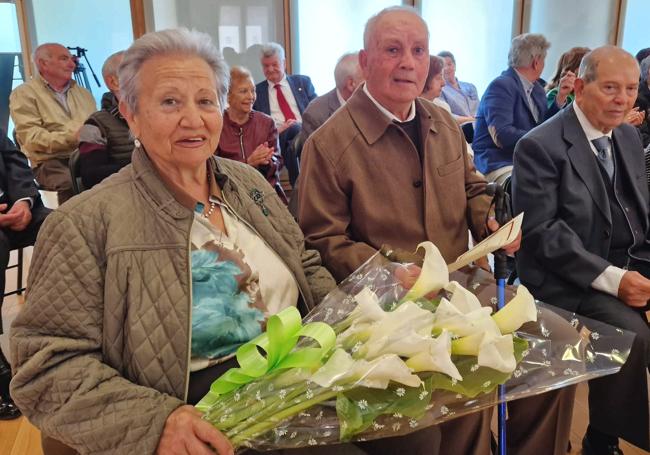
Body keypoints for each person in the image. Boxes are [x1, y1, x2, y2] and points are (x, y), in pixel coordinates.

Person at [9, 29, 337, 455]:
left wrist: (350, 325)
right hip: (202, 410)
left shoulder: (246, 181)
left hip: (303, 372)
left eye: (205, 101)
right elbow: (44, 368)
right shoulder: (85, 223)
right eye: (169, 102)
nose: (193, 118)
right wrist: (155, 421)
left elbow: (305, 263)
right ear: (131, 113)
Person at [298, 6, 574, 455]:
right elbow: (320, 241)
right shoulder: (328, 144)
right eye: (392, 50)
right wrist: (389, 272)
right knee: (465, 376)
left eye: (418, 50)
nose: (408, 61)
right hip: (391, 307)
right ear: (365, 62)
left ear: (431, 63)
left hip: (463, 283)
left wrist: (489, 217)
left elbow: (472, 187)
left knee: (557, 346)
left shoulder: (442, 122)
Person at [512, 46, 650, 454]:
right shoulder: (539, 145)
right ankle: (602, 439)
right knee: (630, 333)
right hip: (565, 273)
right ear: (580, 86)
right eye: (610, 87)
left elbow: (639, 212)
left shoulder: (626, 134)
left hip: (628, 258)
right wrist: (616, 281)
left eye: (630, 88)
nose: (622, 99)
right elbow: (543, 235)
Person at [472, 34, 571, 184]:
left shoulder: (537, 88)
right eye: (544, 59)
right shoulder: (501, 86)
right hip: (498, 161)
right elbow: (502, 136)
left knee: (566, 179)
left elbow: (544, 126)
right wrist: (541, 140)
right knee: (537, 185)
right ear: (536, 62)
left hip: (526, 159)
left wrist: (560, 98)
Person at [0, 130, 50, 421]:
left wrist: (23, 202)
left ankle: (67, 324)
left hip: (14, 207)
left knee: (62, 227)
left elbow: (15, 159)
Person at [9, 43, 96, 205]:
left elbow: (95, 125)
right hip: (50, 162)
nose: (72, 64)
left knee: (116, 175)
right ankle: (70, 227)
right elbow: (32, 139)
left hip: (86, 155)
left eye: (71, 59)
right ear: (43, 63)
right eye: (64, 59)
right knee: (73, 184)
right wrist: (73, 137)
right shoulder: (23, 94)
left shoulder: (83, 93)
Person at [217, 66, 287, 203]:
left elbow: (278, 162)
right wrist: (248, 163)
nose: (251, 97)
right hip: (230, 195)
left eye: (253, 90)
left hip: (266, 192)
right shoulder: (217, 125)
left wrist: (267, 160)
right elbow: (213, 170)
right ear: (228, 96)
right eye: (244, 91)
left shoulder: (266, 123)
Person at [253, 42, 317, 186]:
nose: (270, 69)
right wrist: (276, 130)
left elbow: (316, 109)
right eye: (265, 66)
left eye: (274, 64)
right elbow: (255, 126)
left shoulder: (303, 82)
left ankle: (298, 188)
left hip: (305, 132)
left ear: (284, 63)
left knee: (294, 135)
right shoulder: (257, 92)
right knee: (293, 129)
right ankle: (303, 187)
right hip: (277, 136)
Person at [78, 50, 134, 189]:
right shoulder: (96, 124)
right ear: (114, 82)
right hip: (126, 195)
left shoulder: (164, 114)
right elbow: (91, 175)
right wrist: (150, 167)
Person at [299, 52, 363, 139]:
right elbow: (317, 152)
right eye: (367, 79)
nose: (373, 84)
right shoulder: (315, 116)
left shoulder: (373, 103)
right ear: (351, 84)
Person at [437, 50, 478, 124]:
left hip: (479, 126)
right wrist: (469, 119)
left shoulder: (471, 87)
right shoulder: (440, 90)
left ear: (455, 66)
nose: (446, 68)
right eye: (443, 66)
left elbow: (480, 108)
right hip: (461, 128)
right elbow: (447, 116)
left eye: (449, 64)